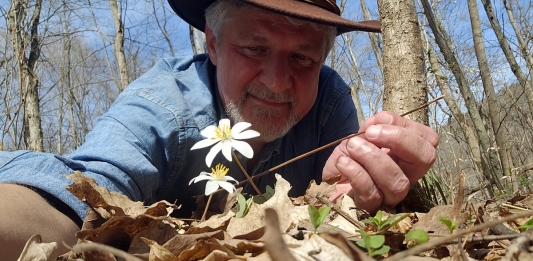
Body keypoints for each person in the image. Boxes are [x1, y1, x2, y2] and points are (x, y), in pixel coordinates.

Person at [0, 0, 439, 259]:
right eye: (254, 48)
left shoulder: (328, 99)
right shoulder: (163, 105)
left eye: (303, 58)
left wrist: (368, 181)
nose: (277, 81)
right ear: (212, 42)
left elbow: (341, 192)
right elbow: (78, 194)